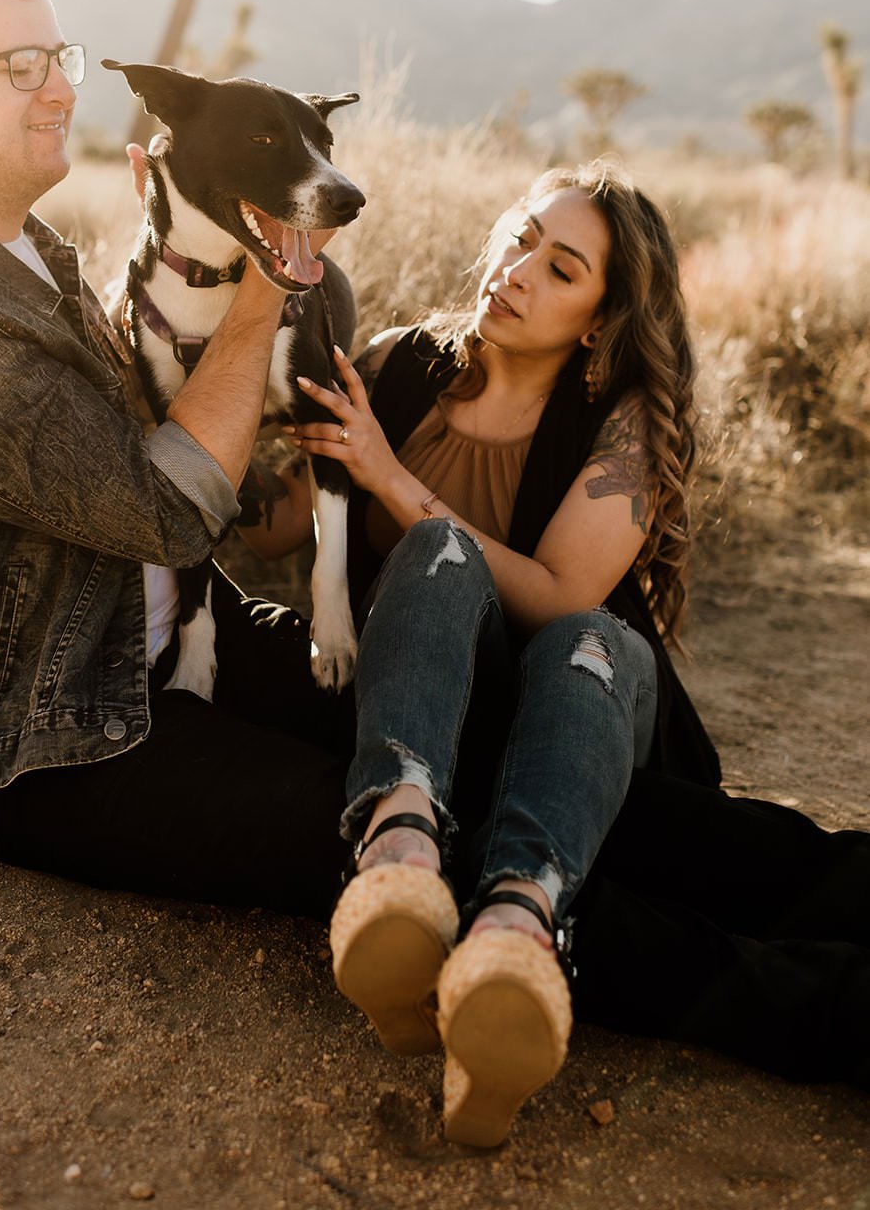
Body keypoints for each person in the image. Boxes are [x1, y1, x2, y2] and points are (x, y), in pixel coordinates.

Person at [241, 161, 870, 1143]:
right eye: (522, 233)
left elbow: (555, 595)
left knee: (563, 621)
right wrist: (209, 373)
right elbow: (275, 521)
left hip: (584, 708)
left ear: (596, 318)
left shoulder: (626, 425)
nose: (519, 266)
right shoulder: (401, 367)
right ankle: (412, 867)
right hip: (434, 706)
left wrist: (387, 476)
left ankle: (509, 934)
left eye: (561, 264)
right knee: (437, 561)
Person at [0, 0, 356, 919]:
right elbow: (168, 512)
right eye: (19, 68)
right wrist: (267, 277)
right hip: (56, 736)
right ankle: (708, 979)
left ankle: (725, 854)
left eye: (59, 56)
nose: (61, 90)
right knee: (396, 821)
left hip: (170, 634)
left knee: (468, 722)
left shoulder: (29, 251)